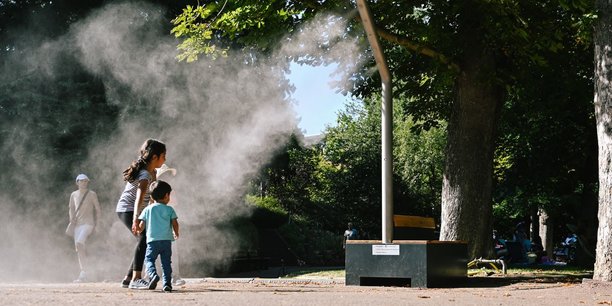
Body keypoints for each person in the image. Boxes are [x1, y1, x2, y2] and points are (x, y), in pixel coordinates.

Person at [115, 138, 166, 289]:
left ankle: (128, 278)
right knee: (144, 239)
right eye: (164, 155)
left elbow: (151, 197)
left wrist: (151, 215)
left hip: (135, 210)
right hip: (128, 209)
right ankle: (136, 279)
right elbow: (139, 197)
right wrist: (136, 219)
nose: (165, 159)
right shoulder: (144, 175)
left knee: (145, 240)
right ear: (155, 157)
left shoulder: (152, 173)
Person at [134, 180, 179, 292]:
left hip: (152, 241)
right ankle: (167, 284)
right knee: (166, 263)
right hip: (166, 241)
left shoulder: (148, 209)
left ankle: (153, 275)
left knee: (149, 259)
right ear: (166, 195)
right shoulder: (170, 209)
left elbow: (142, 225)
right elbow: (175, 223)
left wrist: (138, 229)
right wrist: (176, 232)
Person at [156, 164, 186, 286]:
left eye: (168, 174)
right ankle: (150, 276)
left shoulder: (171, 191)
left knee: (173, 251)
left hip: (168, 223)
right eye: (165, 174)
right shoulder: (154, 189)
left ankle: (175, 276)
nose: (167, 177)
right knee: (153, 250)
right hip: (157, 225)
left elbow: (175, 204)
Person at [68, 173, 101, 282]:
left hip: (88, 223)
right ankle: (84, 272)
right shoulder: (73, 194)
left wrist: (98, 224)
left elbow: (97, 209)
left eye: (86, 181)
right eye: (82, 181)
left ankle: (86, 272)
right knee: (79, 249)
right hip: (77, 225)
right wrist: (71, 219)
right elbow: (71, 208)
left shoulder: (92, 194)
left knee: (79, 243)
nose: (84, 183)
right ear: (77, 182)